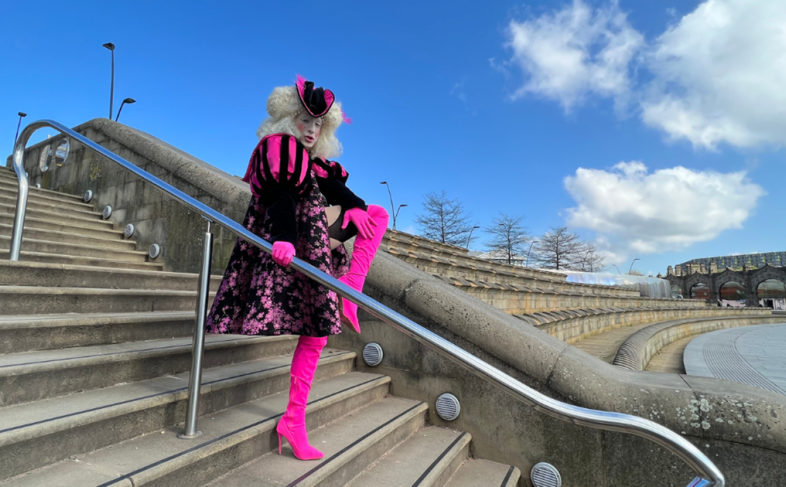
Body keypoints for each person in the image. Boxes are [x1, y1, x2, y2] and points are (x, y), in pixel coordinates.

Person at [206, 75, 389, 461]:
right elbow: (281, 196)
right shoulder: (280, 148)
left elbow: (338, 191)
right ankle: (294, 421)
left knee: (376, 213)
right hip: (288, 240)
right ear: (290, 119)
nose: (311, 129)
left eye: (318, 123)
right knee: (317, 329)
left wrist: (353, 205)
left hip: (315, 241)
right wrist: (284, 237)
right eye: (305, 120)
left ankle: (350, 292)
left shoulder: (316, 163)